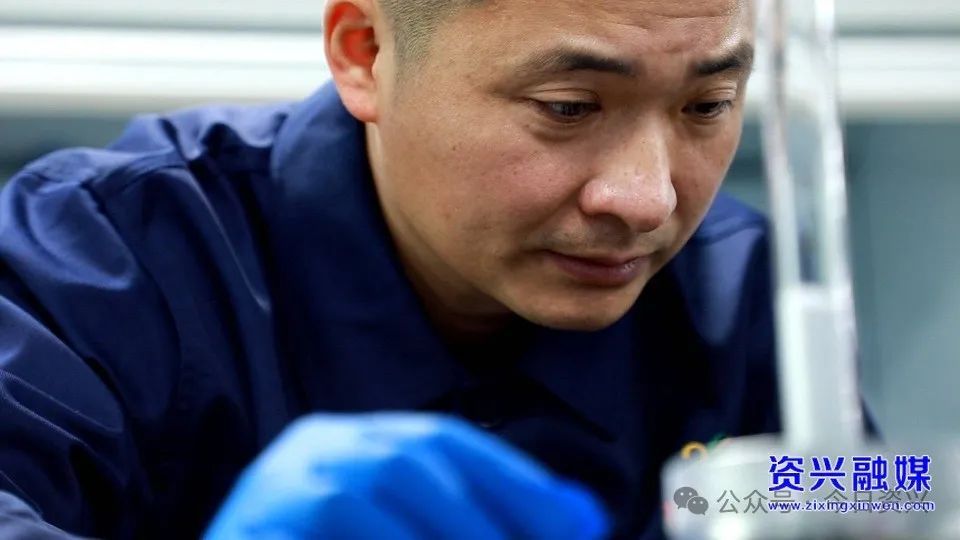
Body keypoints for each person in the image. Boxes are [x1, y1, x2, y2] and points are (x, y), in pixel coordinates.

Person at [0, 0, 780, 538]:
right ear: (364, 53)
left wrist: (810, 497)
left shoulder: (749, 293)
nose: (646, 200)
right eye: (568, 107)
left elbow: (852, 484)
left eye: (706, 106)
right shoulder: (101, 259)